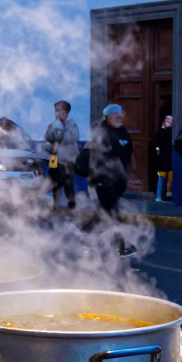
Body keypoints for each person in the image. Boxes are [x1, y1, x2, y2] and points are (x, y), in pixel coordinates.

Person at [87, 104, 136, 257]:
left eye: (120, 114)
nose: (120, 116)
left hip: (118, 179)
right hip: (104, 179)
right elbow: (95, 158)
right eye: (116, 114)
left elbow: (128, 151)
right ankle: (122, 246)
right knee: (113, 212)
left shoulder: (122, 131)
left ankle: (84, 235)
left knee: (104, 210)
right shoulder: (101, 133)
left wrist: (130, 169)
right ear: (108, 117)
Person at [43, 100, 80, 210]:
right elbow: (47, 137)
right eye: (57, 111)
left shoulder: (72, 124)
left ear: (67, 113)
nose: (58, 114)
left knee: (67, 180)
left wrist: (61, 131)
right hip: (55, 158)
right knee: (54, 181)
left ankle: (71, 202)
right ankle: (56, 204)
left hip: (68, 159)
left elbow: (72, 139)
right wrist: (48, 145)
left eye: (61, 112)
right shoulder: (53, 124)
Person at [153, 115, 174, 202]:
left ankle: (168, 196)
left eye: (170, 121)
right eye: (168, 120)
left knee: (170, 178)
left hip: (170, 158)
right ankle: (159, 196)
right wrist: (158, 153)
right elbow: (156, 145)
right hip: (162, 159)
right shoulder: (159, 132)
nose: (169, 122)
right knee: (161, 178)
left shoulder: (171, 132)